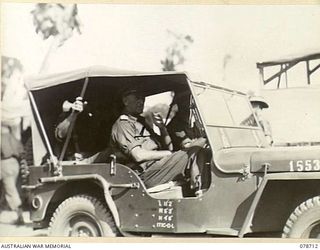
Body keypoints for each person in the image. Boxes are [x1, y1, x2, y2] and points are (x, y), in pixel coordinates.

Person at [109, 89, 206, 195]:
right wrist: (169, 155)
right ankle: (199, 190)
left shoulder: (141, 122)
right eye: (137, 98)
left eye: (143, 98)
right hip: (145, 175)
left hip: (158, 167)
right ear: (125, 101)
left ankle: (197, 188)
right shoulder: (123, 125)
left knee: (200, 147)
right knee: (200, 143)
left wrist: (162, 129)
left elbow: (168, 148)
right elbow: (138, 155)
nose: (141, 101)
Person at [0, 120, 24, 224]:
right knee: (10, 189)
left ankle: (19, 215)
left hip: (4, 164)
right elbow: (21, 150)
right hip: (15, 163)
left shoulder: (1, 137)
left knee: (10, 191)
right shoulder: (12, 137)